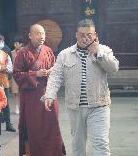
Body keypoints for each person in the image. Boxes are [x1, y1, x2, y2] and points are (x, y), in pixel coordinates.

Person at [44, 19, 119, 156]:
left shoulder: (104, 50)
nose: (85, 38)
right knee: (78, 145)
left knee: (101, 143)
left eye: (89, 35)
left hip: (99, 105)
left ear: (95, 35)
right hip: (75, 107)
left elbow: (113, 69)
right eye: (82, 34)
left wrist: (98, 53)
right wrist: (50, 95)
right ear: (76, 35)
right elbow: (55, 76)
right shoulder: (65, 54)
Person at [13, 24, 66, 156]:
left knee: (52, 124)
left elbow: (56, 69)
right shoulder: (23, 53)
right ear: (30, 36)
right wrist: (35, 74)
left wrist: (51, 71)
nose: (41, 36)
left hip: (49, 94)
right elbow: (17, 74)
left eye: (42, 33)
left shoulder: (48, 50)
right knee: (34, 127)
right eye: (37, 33)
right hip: (32, 98)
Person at [0, 33, 16, 132]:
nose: (1, 43)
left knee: (6, 104)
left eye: (2, 41)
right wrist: (1, 68)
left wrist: (4, 69)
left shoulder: (5, 54)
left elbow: (10, 68)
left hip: (4, 83)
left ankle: (8, 124)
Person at [10, 35, 24, 114]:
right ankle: (16, 106)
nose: (15, 45)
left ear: (21, 44)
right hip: (15, 74)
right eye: (14, 43)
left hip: (23, 74)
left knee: (23, 91)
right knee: (15, 91)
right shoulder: (12, 52)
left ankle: (23, 106)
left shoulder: (25, 51)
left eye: (16, 43)